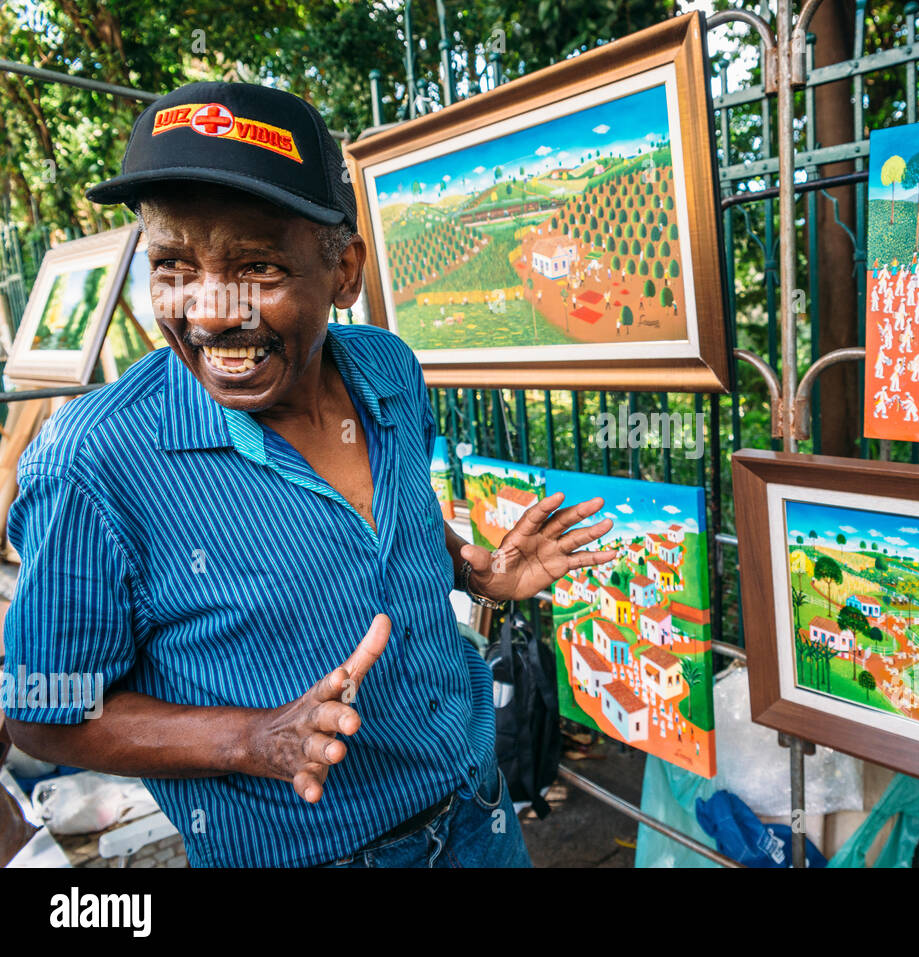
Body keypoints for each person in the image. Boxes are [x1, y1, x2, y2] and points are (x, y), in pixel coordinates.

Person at [1, 83, 618, 869]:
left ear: (344, 270)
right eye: (173, 266)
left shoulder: (388, 371)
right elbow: (41, 710)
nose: (211, 311)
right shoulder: (93, 462)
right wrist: (252, 739)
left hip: (475, 812)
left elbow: (392, 516)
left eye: (256, 266)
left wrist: (476, 569)